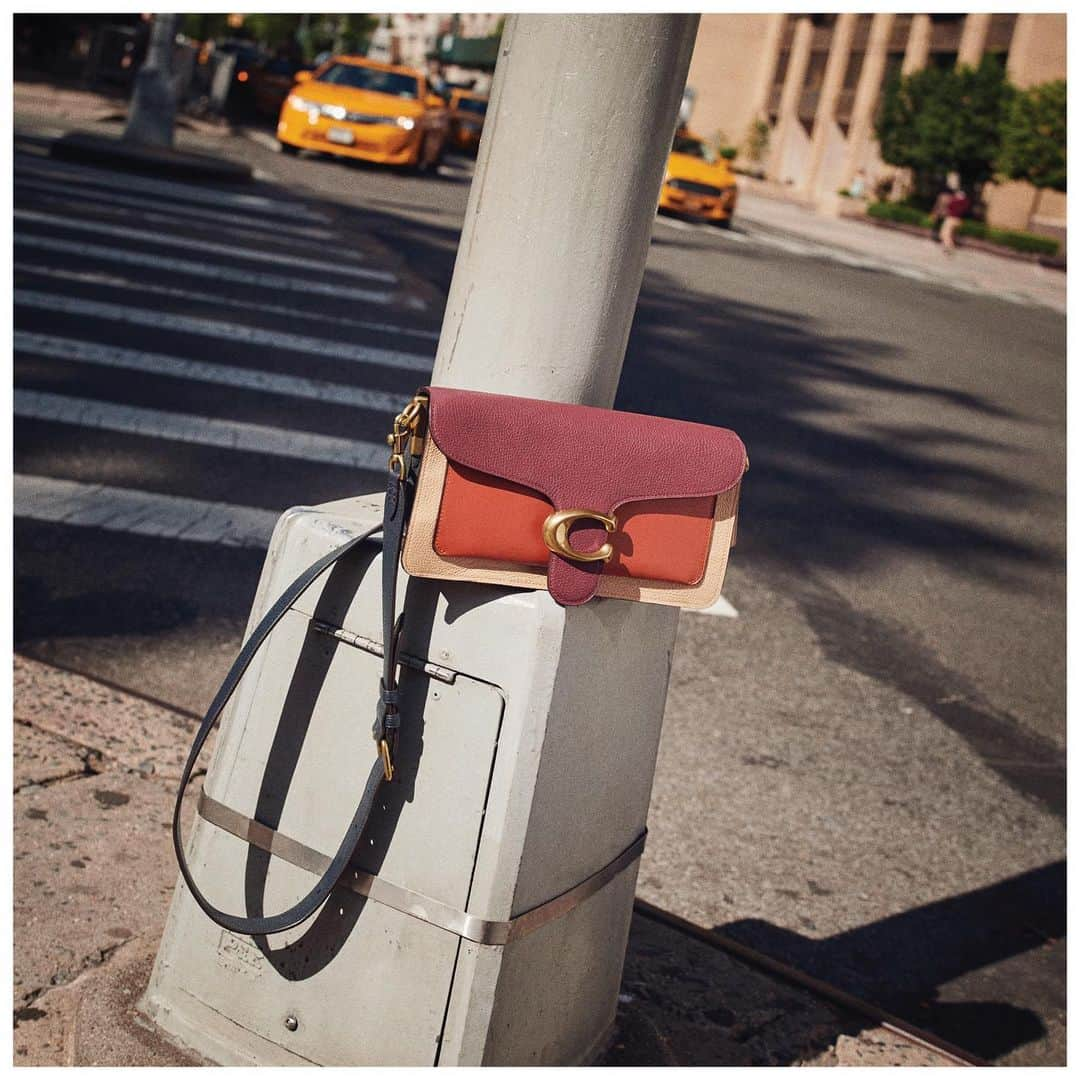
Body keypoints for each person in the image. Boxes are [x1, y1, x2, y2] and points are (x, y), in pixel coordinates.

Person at [939, 180, 971, 255]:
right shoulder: (966, 201)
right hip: (959, 220)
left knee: (944, 234)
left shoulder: (956, 200)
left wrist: (952, 200)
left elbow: (950, 206)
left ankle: (949, 248)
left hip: (951, 218)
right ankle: (948, 248)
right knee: (950, 235)